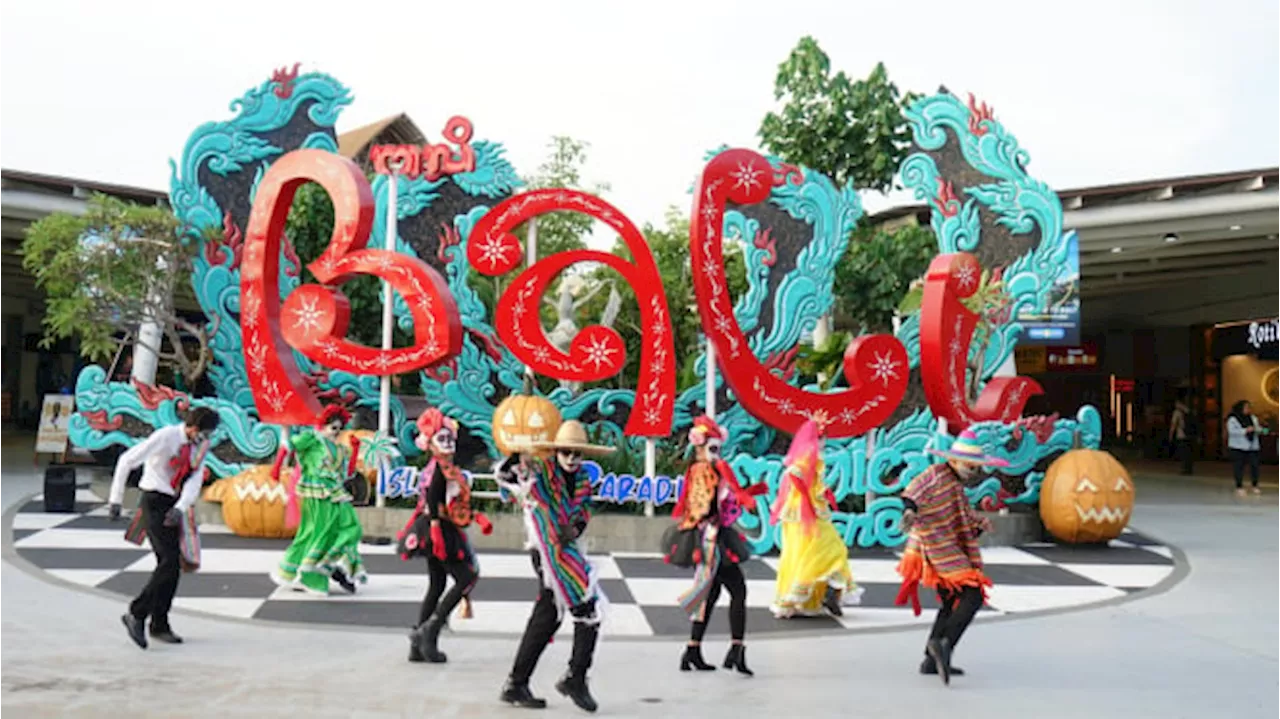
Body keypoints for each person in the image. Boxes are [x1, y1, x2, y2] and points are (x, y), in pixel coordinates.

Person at [497, 420, 611, 713]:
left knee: (549, 615)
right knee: (587, 606)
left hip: (567, 549)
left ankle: (517, 683)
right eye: (566, 453)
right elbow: (508, 478)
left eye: (577, 453)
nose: (571, 459)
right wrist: (516, 456)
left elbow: (584, 511)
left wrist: (574, 527)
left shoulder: (584, 478)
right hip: (546, 550)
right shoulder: (542, 471)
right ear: (556, 452)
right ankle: (575, 677)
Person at [895, 429, 1004, 685]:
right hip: (933, 545)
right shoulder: (936, 474)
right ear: (953, 460)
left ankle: (931, 661)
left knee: (952, 600)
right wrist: (909, 511)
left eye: (976, 467)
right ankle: (942, 644)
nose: (972, 471)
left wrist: (978, 524)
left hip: (944, 545)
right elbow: (913, 492)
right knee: (972, 594)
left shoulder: (954, 483)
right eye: (969, 465)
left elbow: (961, 518)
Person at [108, 407, 219, 649]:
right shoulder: (166, 436)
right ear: (193, 427)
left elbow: (194, 479)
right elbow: (127, 460)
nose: (206, 438)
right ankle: (136, 614)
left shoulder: (199, 446)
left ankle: (160, 623)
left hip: (174, 505)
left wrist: (181, 507)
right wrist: (115, 499)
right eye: (205, 432)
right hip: (153, 500)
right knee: (168, 561)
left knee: (172, 566)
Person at [663, 415, 765, 675]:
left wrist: (743, 494)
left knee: (712, 594)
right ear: (699, 448)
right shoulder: (706, 470)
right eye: (712, 449)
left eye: (718, 449)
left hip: (713, 534)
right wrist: (738, 496)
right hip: (712, 537)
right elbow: (705, 506)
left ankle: (693, 650)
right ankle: (735, 650)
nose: (716, 455)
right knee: (737, 591)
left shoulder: (704, 469)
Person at [399, 408, 492, 663]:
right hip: (438, 528)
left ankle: (419, 641)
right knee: (467, 576)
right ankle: (430, 630)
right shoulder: (441, 467)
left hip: (433, 525)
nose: (448, 444)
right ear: (429, 443)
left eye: (450, 438)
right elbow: (433, 497)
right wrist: (437, 529)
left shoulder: (438, 466)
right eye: (442, 439)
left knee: (437, 584)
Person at [270, 405, 368, 595]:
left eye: (339, 429)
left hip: (335, 493)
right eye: (333, 428)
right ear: (323, 426)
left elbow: (347, 473)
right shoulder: (313, 439)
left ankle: (323, 564)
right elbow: (288, 446)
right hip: (317, 493)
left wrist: (355, 450)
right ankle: (309, 573)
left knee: (350, 528)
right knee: (317, 533)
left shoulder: (339, 448)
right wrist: (276, 469)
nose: (336, 432)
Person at [768, 418, 860, 619]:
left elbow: (810, 480)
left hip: (811, 510)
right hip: (801, 513)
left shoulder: (814, 456)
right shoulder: (808, 454)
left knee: (820, 549)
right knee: (815, 550)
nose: (823, 442)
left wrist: (823, 493)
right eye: (821, 438)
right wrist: (805, 498)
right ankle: (814, 590)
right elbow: (793, 473)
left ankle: (820, 590)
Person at [1226, 400, 1263, 497]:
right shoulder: (1233, 419)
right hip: (1238, 446)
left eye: (1249, 407)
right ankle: (1239, 486)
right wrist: (1245, 430)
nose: (1248, 409)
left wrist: (1258, 429)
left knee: (1255, 466)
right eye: (1246, 407)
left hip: (1252, 447)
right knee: (1239, 467)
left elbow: (1257, 428)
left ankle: (1254, 485)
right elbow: (1232, 431)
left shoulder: (1253, 418)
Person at [1169, 396, 1194, 475]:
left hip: (1181, 434)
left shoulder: (1177, 412)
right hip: (1189, 434)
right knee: (1188, 452)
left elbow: (1173, 424)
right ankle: (1189, 468)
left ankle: (1184, 468)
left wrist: (1170, 435)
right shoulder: (1188, 410)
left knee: (1182, 452)